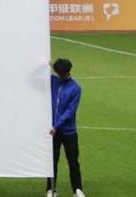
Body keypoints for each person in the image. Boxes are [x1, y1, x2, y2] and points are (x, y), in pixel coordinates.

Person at [47, 58, 85, 197]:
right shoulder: (53, 81)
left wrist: (56, 126)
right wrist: (45, 63)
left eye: (62, 74)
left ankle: (77, 189)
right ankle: (51, 189)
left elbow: (70, 111)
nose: (60, 76)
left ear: (68, 72)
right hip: (53, 131)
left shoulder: (76, 88)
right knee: (52, 161)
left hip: (68, 131)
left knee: (73, 161)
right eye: (58, 74)